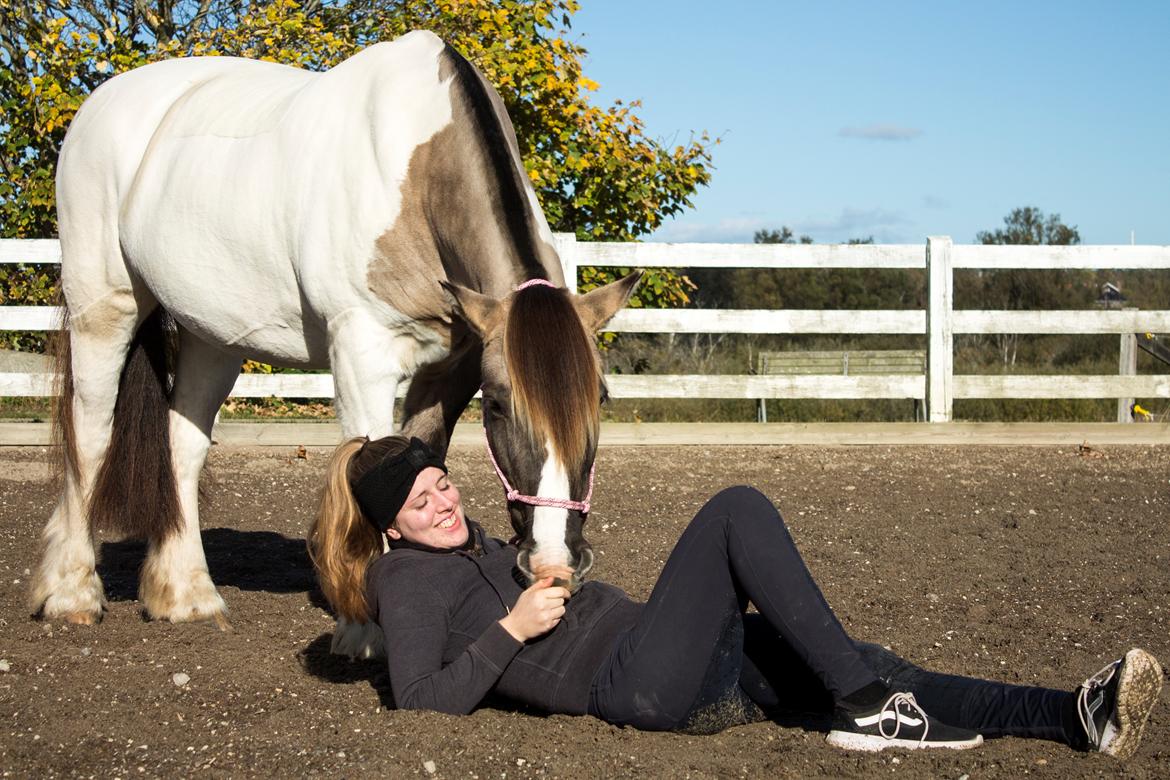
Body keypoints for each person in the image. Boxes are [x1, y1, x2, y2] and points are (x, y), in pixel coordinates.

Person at [307, 435, 1163, 757]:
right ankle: (863, 704)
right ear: (389, 531)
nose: (445, 505)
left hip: (668, 655)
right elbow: (419, 701)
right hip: (635, 684)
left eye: (443, 485)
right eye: (421, 504)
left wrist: (542, 583)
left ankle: (1073, 715)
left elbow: (499, 600)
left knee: (864, 662)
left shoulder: (464, 545)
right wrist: (511, 627)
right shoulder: (402, 581)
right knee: (733, 511)